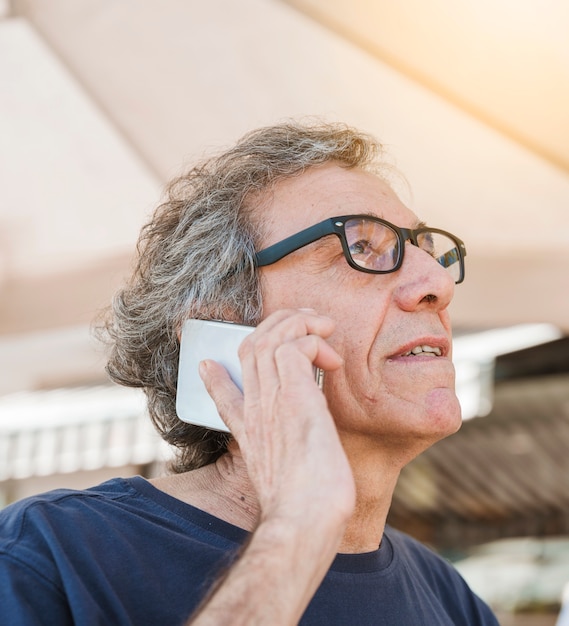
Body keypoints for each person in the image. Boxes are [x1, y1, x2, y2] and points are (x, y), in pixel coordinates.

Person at [0, 121, 498, 625]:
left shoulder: (451, 600)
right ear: (222, 323)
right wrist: (299, 526)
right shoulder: (48, 555)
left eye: (428, 252)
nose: (436, 282)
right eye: (361, 246)